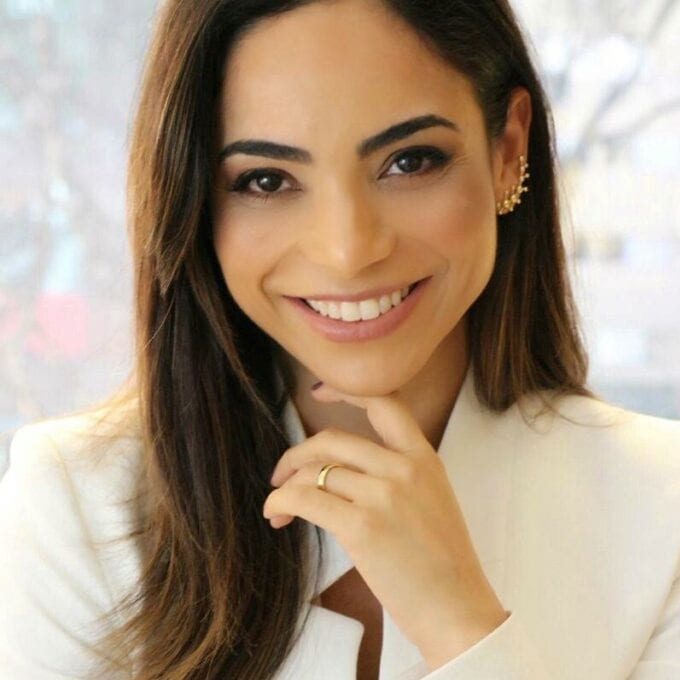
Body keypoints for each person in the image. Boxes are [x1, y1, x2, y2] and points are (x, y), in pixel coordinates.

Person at [0, 0, 678, 678]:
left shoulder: (663, 512)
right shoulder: (78, 502)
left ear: (508, 151)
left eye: (409, 161)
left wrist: (458, 621)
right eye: (267, 180)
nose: (348, 250)